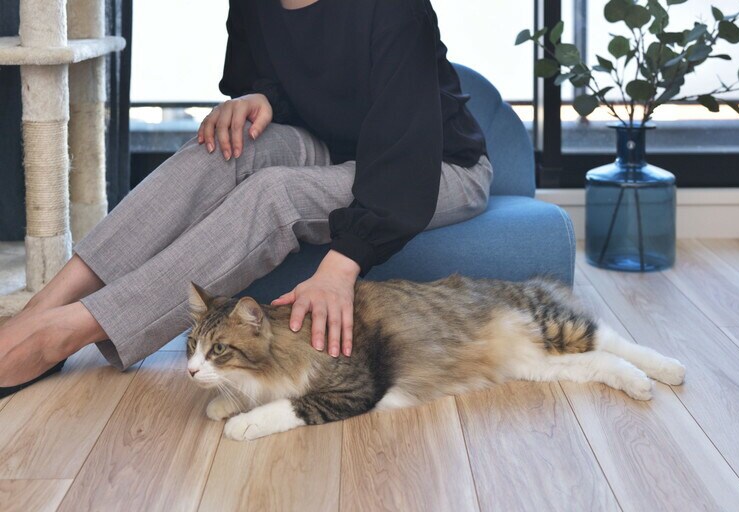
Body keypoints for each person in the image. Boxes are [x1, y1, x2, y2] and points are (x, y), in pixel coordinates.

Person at [0, 0, 491, 393]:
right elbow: (279, 80)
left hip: (432, 165)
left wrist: (342, 266)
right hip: (332, 144)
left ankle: (66, 332)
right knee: (219, 150)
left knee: (274, 193)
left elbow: (404, 150)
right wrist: (262, 97)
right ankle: (44, 307)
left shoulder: (396, 8)